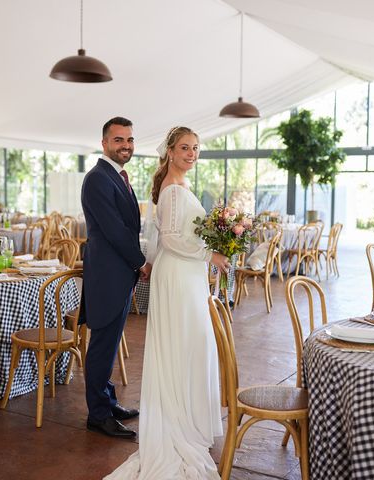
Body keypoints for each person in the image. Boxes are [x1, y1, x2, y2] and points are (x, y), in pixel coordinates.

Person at [105, 126, 230, 479]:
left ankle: (190, 417)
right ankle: (179, 420)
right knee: (184, 344)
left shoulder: (181, 186)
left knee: (194, 344)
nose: (192, 153)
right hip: (177, 276)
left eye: (196, 148)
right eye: (185, 148)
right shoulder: (173, 191)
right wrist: (212, 254)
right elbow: (173, 241)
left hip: (186, 275)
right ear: (171, 152)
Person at [80, 116, 152, 439]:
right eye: (119, 140)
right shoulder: (98, 178)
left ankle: (107, 402)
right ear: (105, 143)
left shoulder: (117, 176)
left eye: (130, 140)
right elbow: (114, 230)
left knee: (109, 345)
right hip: (108, 274)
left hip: (119, 275)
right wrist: (141, 263)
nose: (126, 146)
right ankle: (97, 415)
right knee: (101, 346)